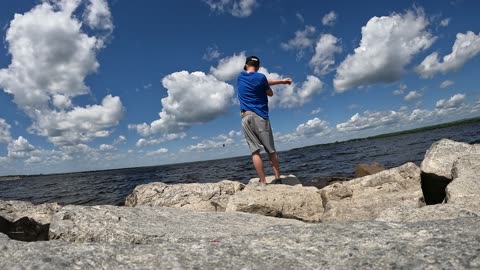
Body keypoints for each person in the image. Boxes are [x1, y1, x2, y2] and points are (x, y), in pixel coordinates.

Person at [237, 56, 292, 184]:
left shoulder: (240, 76)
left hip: (245, 117)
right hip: (260, 116)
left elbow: (264, 81)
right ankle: (277, 178)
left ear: (246, 65)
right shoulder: (260, 77)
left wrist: (281, 81)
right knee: (270, 150)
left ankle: (262, 181)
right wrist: (282, 82)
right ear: (258, 67)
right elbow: (270, 93)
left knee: (255, 151)